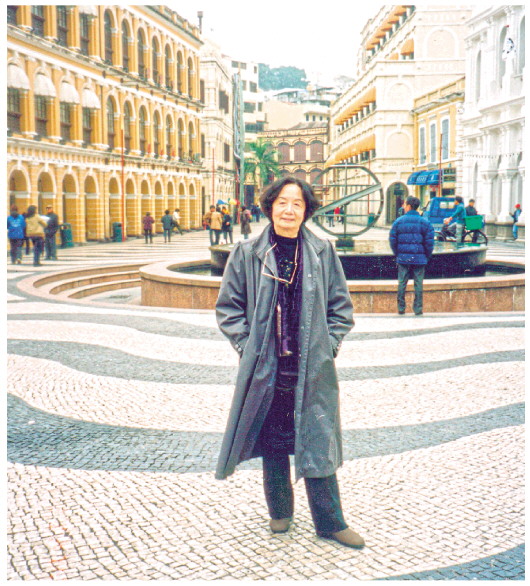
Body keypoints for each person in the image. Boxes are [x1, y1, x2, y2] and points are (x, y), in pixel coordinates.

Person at [215, 176, 365, 550]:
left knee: (317, 441)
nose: (289, 210)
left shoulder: (322, 251)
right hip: (267, 369)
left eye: (297, 203)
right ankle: (280, 511)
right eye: (282, 202)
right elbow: (229, 308)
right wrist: (248, 348)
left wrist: (328, 347)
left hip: (311, 368)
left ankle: (330, 522)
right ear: (270, 206)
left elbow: (341, 309)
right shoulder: (247, 252)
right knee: (274, 442)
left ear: (306, 210)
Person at [389, 195, 434, 316]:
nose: (403, 207)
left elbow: (393, 240)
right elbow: (429, 242)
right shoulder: (425, 222)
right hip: (420, 258)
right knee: (418, 284)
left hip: (403, 258)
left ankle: (401, 308)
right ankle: (418, 309)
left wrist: (397, 253)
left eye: (405, 205)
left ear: (409, 206)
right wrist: (426, 255)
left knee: (402, 283)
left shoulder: (398, 222)